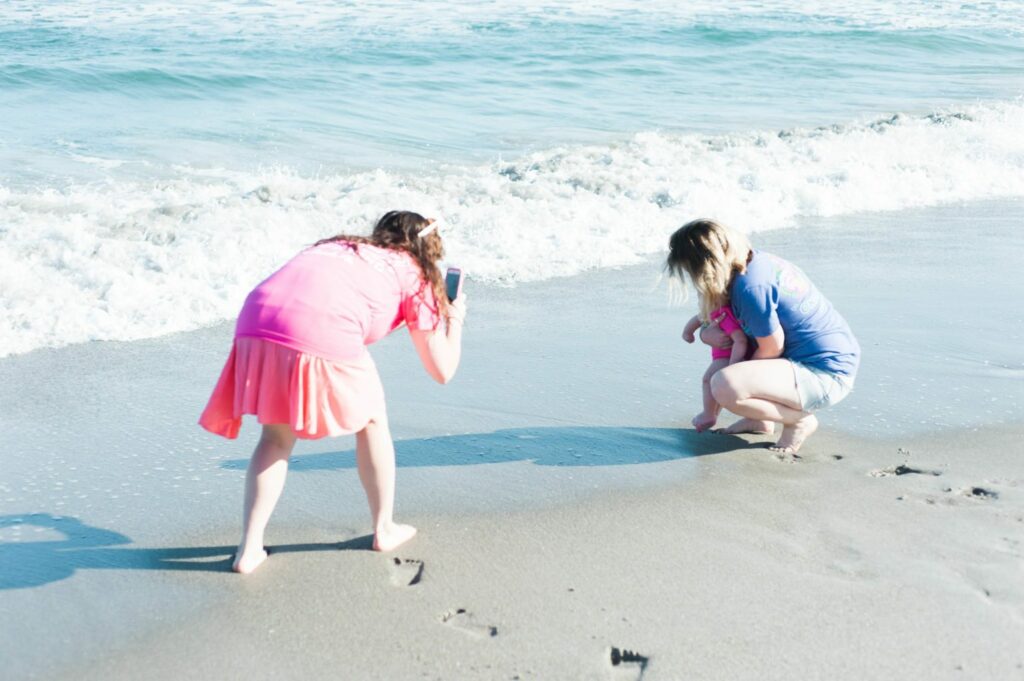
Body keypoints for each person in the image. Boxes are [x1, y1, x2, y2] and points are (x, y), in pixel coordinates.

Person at [199, 210, 466, 574]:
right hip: (318, 327)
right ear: (428, 250)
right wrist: (455, 317)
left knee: (276, 436)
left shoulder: (342, 246)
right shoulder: (414, 273)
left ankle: (248, 550)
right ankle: (384, 529)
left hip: (255, 319)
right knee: (372, 420)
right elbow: (443, 370)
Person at [666, 219, 859, 453]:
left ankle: (798, 420)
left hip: (825, 375)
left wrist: (738, 378)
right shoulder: (753, 261)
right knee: (730, 371)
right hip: (823, 362)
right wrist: (707, 334)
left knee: (725, 385)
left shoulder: (749, 288)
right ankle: (759, 419)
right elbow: (725, 323)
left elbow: (771, 347)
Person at [681, 302, 749, 433]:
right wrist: (687, 333)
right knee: (715, 386)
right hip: (722, 356)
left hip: (727, 357)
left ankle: (708, 415)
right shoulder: (711, 309)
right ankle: (713, 414)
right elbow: (698, 319)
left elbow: (740, 340)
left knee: (708, 380)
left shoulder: (724, 314)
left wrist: (732, 366)